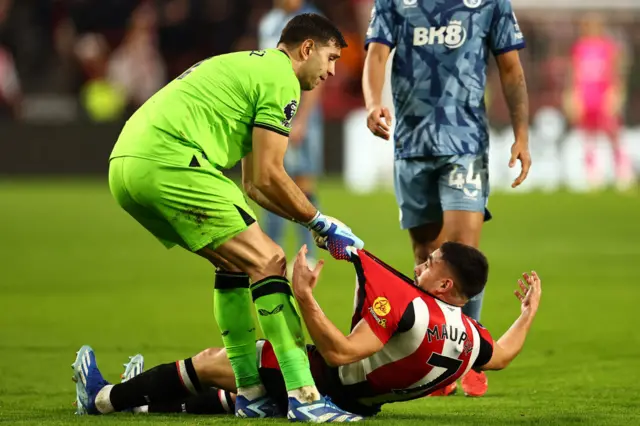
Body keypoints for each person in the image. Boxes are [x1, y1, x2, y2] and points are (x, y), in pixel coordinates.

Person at [74, 13, 366, 423]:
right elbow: (270, 175)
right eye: (331, 58)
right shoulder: (281, 79)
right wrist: (321, 222)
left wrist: (314, 223)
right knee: (269, 261)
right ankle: (304, 395)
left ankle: (251, 393)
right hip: (169, 160)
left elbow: (254, 186)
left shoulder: (251, 69)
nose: (332, 71)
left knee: (234, 262)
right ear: (306, 49)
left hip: (128, 164)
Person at [71, 242, 542, 418]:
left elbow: (340, 352)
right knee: (240, 393)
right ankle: (148, 401)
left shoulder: (415, 309)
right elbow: (502, 355)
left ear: (445, 282)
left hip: (324, 382)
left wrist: (305, 297)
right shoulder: (470, 336)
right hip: (361, 402)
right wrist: (526, 314)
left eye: (431, 261)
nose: (420, 262)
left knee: (217, 362)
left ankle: (102, 398)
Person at [361, 0, 532, 396]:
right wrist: (372, 103)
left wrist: (522, 134)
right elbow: (376, 54)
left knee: (459, 253)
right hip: (411, 145)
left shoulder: (489, 3)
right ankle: (429, 351)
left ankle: (466, 358)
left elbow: (511, 68)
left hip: (465, 144)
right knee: (426, 255)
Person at [259, 0, 326, 269]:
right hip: (270, 112)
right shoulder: (267, 22)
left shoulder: (312, 20)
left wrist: (302, 120)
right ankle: (270, 249)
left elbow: (318, 75)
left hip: (299, 114)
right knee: (267, 178)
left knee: (302, 182)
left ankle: (306, 253)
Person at [564, 12, 633, 191]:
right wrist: (573, 95)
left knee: (613, 133)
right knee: (588, 136)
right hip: (587, 96)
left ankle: (623, 170)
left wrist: (616, 93)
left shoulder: (609, 47)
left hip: (604, 95)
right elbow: (573, 74)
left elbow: (616, 72)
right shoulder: (579, 48)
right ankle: (593, 174)